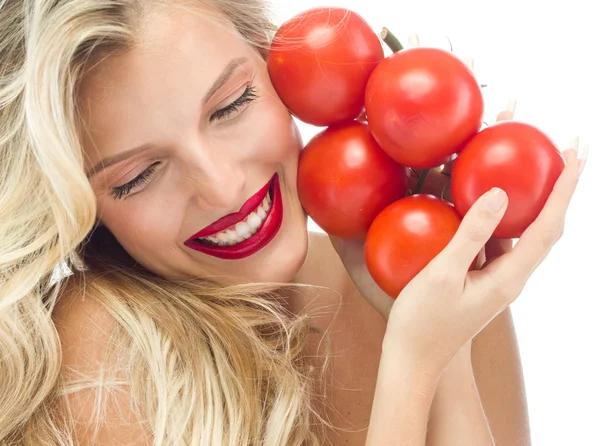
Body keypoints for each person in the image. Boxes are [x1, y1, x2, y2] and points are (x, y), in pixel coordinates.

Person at [0, 0, 586, 445]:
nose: (224, 187)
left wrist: (443, 347)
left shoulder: (434, 276)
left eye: (230, 105)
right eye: (138, 176)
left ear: (278, 66)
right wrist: (414, 365)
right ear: (82, 208)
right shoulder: (94, 356)